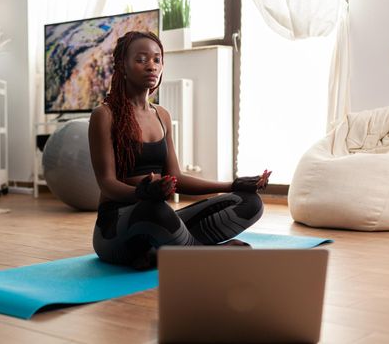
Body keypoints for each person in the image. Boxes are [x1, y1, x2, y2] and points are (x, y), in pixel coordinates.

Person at [89, 31, 271, 269]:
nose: (151, 66)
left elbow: (177, 178)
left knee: (249, 202)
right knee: (156, 210)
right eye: (141, 59)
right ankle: (203, 254)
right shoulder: (104, 116)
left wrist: (232, 185)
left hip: (158, 219)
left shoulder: (161, 115)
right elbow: (107, 183)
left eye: (157, 59)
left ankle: (163, 252)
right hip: (115, 231)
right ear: (122, 65)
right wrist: (141, 194)